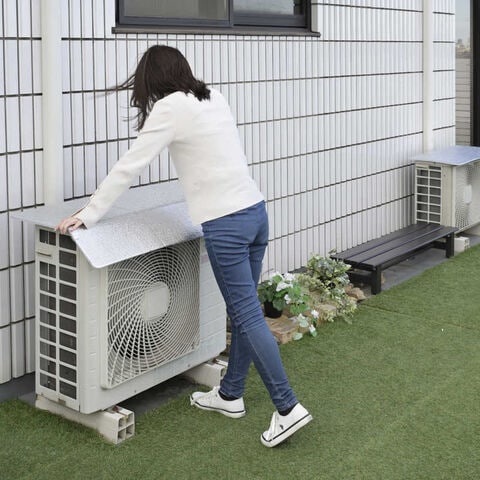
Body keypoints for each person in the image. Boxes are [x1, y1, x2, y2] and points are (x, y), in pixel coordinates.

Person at [56, 45, 312, 447]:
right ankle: (230, 394)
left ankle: (287, 408)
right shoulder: (213, 96)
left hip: (227, 224)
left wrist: (88, 214)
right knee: (243, 312)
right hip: (255, 213)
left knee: (246, 315)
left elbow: (128, 166)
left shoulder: (170, 107)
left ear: (153, 79)